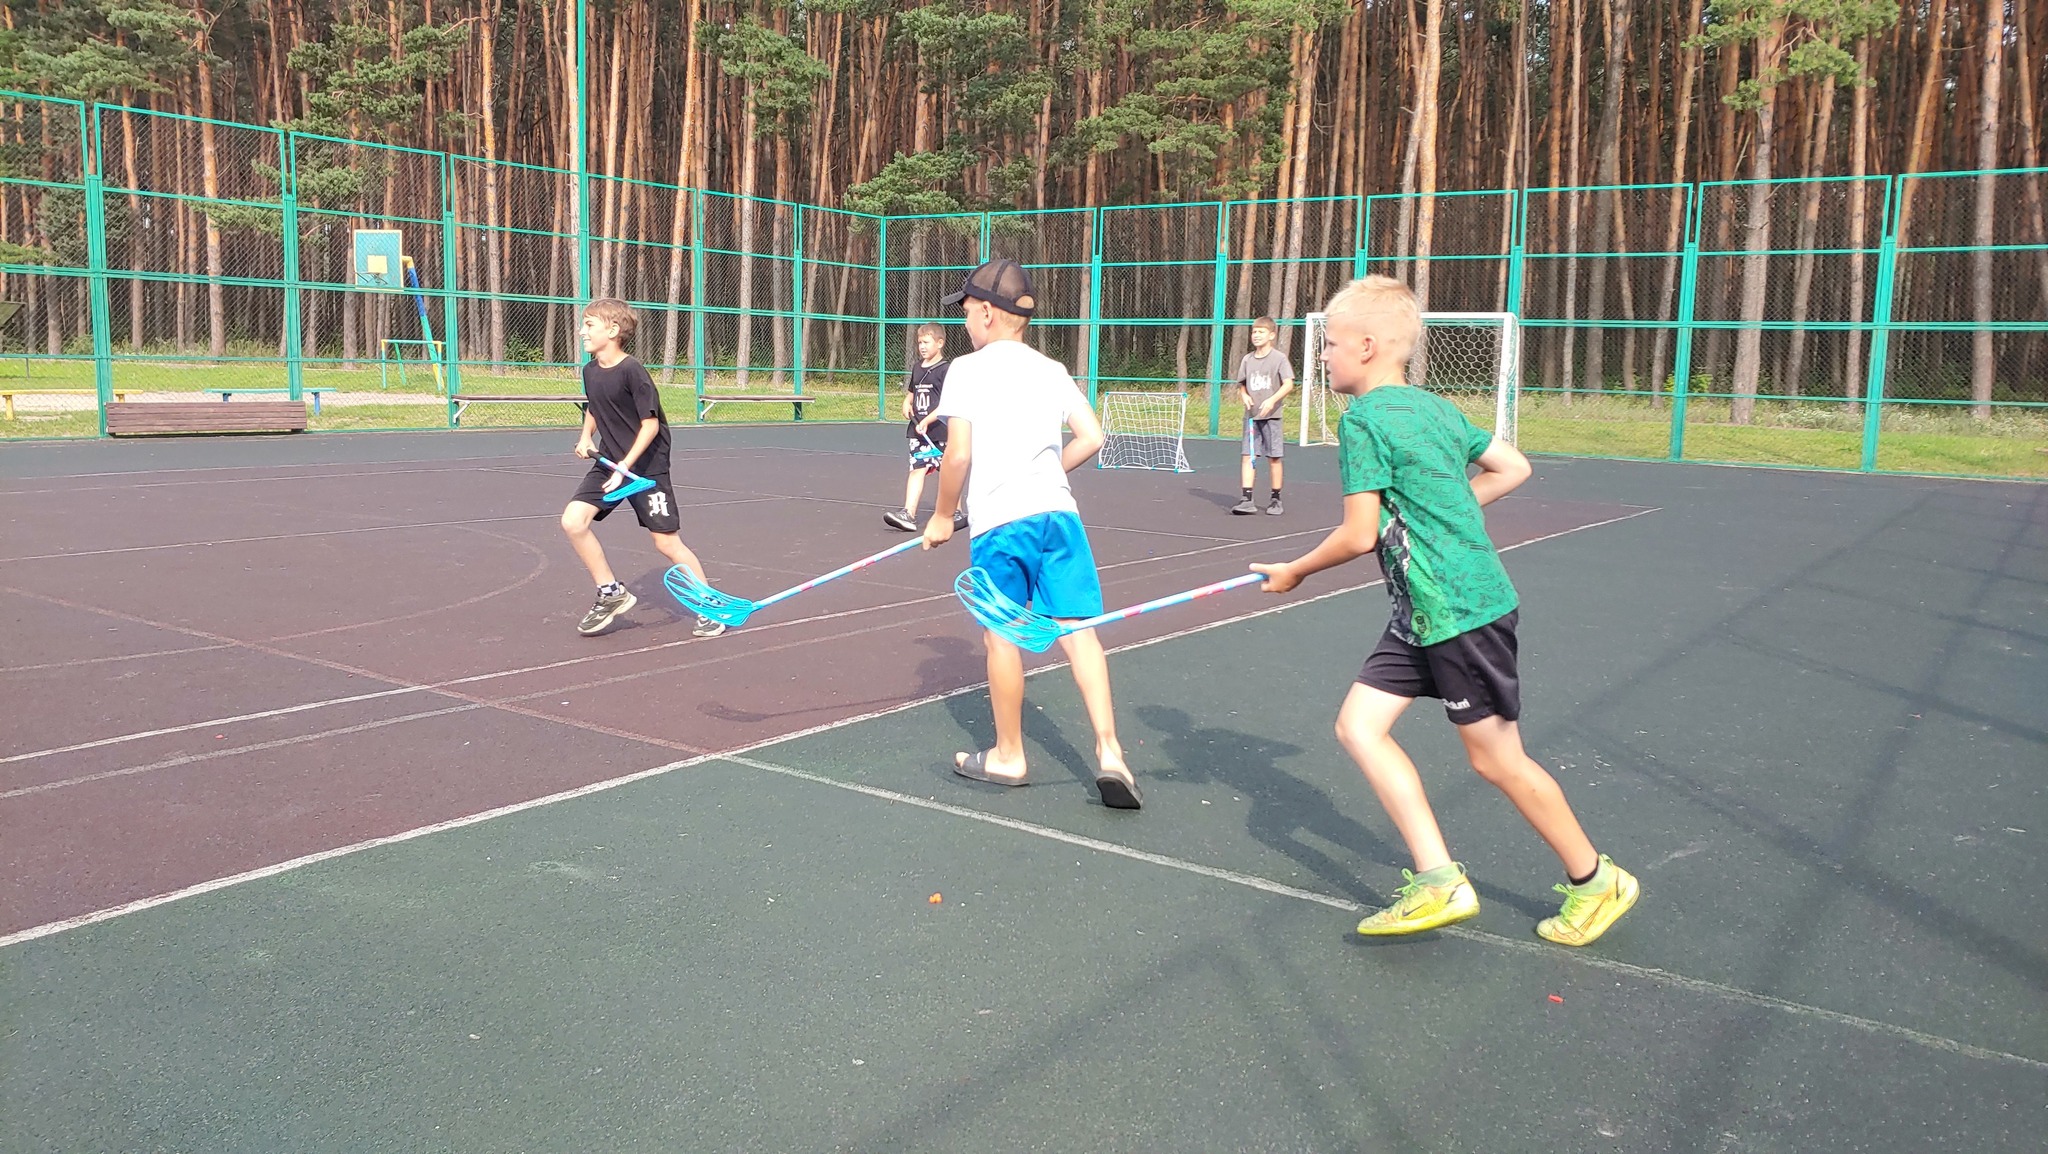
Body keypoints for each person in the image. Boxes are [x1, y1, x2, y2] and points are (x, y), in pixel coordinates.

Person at [1250, 275, 1639, 945]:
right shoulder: (1434, 408)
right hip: (1421, 613)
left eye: (1331, 344)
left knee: (1497, 761)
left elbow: (1359, 534)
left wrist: (1296, 571)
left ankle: (1596, 879)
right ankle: (1438, 880)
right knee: (1359, 727)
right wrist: (1445, 511)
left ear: (1366, 347)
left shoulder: (1363, 422)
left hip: (1459, 610)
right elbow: (1512, 466)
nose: (1324, 356)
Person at [919, 259, 1140, 810]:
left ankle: (1009, 755)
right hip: (1058, 516)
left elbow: (957, 455)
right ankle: (1111, 752)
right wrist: (1043, 475)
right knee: (1079, 631)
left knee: (1001, 635)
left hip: (1002, 525)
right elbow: (1092, 437)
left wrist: (942, 515)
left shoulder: (966, 370)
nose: (964, 321)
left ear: (987, 313)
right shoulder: (1052, 368)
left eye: (966, 311)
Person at [560, 298, 723, 639]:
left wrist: (625, 466)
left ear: (612, 330)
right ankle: (610, 593)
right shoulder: (590, 370)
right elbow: (595, 406)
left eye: (589, 325)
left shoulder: (633, 371)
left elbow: (650, 425)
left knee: (666, 543)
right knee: (573, 522)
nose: (581, 331)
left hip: (645, 470)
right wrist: (586, 436)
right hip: (611, 462)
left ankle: (709, 606)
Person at [884, 323, 969, 534]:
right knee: (917, 469)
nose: (922, 346)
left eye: (926, 342)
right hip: (918, 432)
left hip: (940, 431)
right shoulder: (917, 368)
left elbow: (948, 402)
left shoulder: (946, 370)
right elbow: (912, 393)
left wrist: (928, 420)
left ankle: (956, 512)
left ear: (939, 343)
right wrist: (906, 403)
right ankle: (908, 514)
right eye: (920, 342)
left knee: (947, 471)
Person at [1233, 316, 1293, 515]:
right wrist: (1244, 396)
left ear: (1271, 335)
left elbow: (1288, 384)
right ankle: (1246, 499)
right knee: (1248, 456)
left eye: (1261, 332)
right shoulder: (1247, 360)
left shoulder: (1279, 359)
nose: (1256, 335)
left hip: (1272, 417)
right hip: (1252, 417)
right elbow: (1242, 384)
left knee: (1274, 457)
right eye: (1254, 332)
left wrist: (1272, 400)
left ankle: (1275, 499)